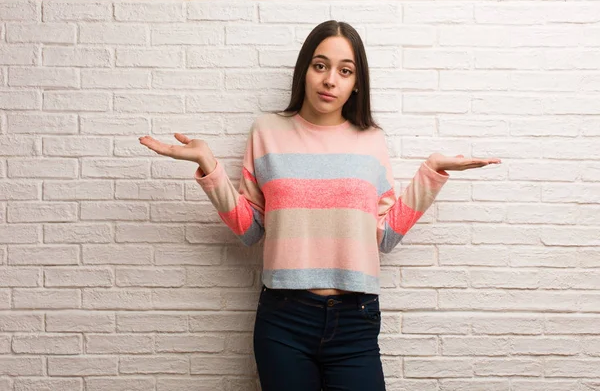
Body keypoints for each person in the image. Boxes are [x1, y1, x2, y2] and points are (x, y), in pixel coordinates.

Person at [139, 20, 501, 391]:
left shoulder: (371, 141)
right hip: (284, 320)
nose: (330, 80)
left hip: (355, 321)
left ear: (356, 83)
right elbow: (251, 230)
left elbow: (386, 235)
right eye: (320, 65)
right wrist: (209, 167)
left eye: (345, 71)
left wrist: (432, 172)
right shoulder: (266, 132)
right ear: (305, 71)